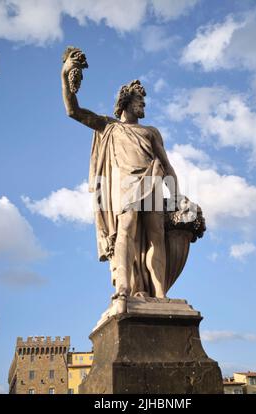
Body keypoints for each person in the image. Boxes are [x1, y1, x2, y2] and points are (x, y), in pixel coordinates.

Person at [61, 47, 180, 300]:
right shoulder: (108, 126)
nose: (144, 105)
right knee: (125, 228)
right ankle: (124, 288)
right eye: (140, 101)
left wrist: (177, 196)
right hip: (125, 184)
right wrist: (66, 75)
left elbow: (167, 164)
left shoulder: (151, 131)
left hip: (153, 179)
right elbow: (73, 111)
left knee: (156, 236)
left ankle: (160, 294)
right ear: (126, 102)